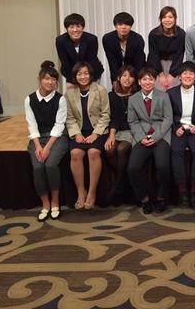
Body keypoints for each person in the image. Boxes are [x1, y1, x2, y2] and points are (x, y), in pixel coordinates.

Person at [24, 61, 69, 221]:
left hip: (57, 136)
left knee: (50, 164)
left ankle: (55, 201)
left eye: (54, 79)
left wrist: (48, 147)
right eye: (47, 78)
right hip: (38, 137)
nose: (50, 82)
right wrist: (37, 145)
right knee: (38, 167)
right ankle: (45, 203)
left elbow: (59, 125)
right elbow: (31, 124)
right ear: (39, 79)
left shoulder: (60, 99)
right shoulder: (29, 99)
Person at [127, 66, 173, 214]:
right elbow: (132, 121)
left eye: (151, 79)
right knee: (132, 168)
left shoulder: (163, 96)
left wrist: (156, 137)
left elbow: (168, 119)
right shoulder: (133, 99)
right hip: (142, 136)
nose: (148, 82)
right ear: (139, 82)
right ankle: (144, 199)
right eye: (144, 79)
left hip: (161, 135)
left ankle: (161, 197)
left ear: (155, 81)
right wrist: (141, 138)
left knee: (163, 166)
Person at [65, 62, 110, 210]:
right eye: (79, 74)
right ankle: (81, 192)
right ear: (75, 76)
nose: (83, 77)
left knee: (93, 152)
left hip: (97, 130)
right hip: (79, 131)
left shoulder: (100, 90)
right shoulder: (70, 93)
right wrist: (76, 133)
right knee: (75, 153)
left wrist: (96, 134)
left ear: (91, 75)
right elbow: (69, 117)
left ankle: (92, 192)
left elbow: (105, 115)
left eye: (86, 73)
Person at [167, 62, 195, 208]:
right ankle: (182, 191)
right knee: (176, 151)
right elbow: (168, 115)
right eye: (184, 73)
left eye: (191, 73)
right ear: (179, 76)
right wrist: (175, 128)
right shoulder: (171, 93)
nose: (187, 76)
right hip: (179, 129)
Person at [104, 65, 137, 204]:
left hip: (132, 130)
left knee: (121, 149)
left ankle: (116, 188)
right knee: (110, 149)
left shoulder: (137, 95)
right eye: (124, 75)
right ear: (118, 78)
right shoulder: (111, 96)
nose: (127, 79)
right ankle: (123, 183)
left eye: (130, 76)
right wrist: (111, 135)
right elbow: (113, 117)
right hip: (116, 130)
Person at [55, 13, 104, 85]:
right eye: (71, 27)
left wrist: (84, 78)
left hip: (92, 74)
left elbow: (91, 61)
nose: (75, 30)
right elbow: (65, 63)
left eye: (78, 26)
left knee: (92, 92)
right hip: (71, 75)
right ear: (67, 28)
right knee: (73, 92)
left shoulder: (91, 39)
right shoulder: (61, 41)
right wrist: (75, 80)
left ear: (82, 27)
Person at [147, 6, 186, 91]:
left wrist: (171, 74)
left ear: (175, 19)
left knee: (174, 89)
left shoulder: (181, 34)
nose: (167, 20)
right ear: (160, 19)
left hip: (174, 65)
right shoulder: (153, 34)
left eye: (170, 17)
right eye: (164, 17)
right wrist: (161, 75)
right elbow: (154, 55)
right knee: (159, 89)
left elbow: (179, 55)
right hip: (157, 65)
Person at [102, 12, 146, 88]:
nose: (123, 27)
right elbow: (112, 61)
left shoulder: (138, 39)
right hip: (118, 72)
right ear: (115, 26)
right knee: (117, 91)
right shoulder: (108, 39)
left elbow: (139, 62)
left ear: (131, 26)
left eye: (127, 24)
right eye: (120, 24)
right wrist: (115, 79)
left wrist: (135, 80)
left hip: (135, 71)